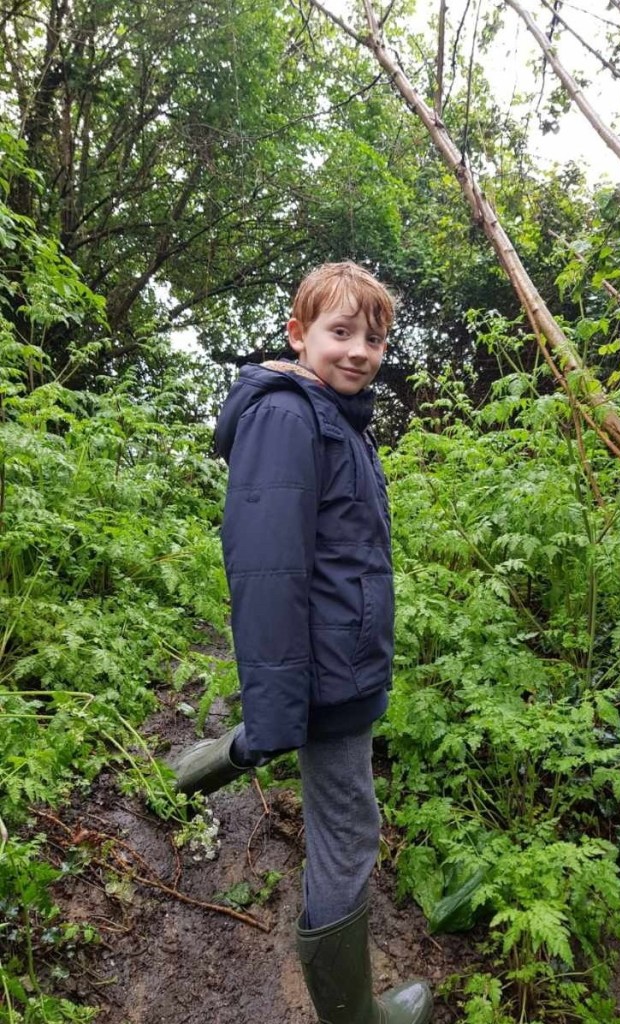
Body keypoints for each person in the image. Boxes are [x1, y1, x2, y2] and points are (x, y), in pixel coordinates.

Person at [173, 262, 433, 1024]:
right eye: (340, 332)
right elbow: (268, 571)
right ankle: (354, 1014)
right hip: (332, 672)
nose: (359, 351)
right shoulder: (292, 418)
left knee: (339, 812)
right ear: (299, 334)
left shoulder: (332, 414)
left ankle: (215, 760)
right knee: (351, 834)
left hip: (335, 656)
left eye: (374, 338)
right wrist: (286, 703)